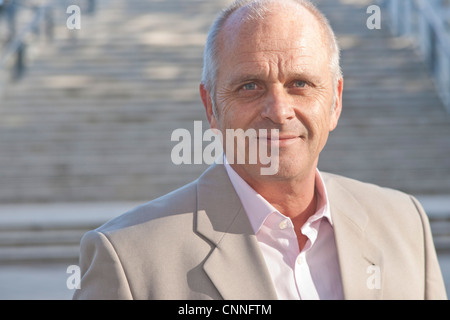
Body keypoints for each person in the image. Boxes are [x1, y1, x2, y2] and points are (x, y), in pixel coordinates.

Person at [73, 0, 447, 300]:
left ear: (335, 101)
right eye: (250, 86)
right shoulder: (127, 260)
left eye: (299, 83)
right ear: (211, 107)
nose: (279, 111)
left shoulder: (405, 223)